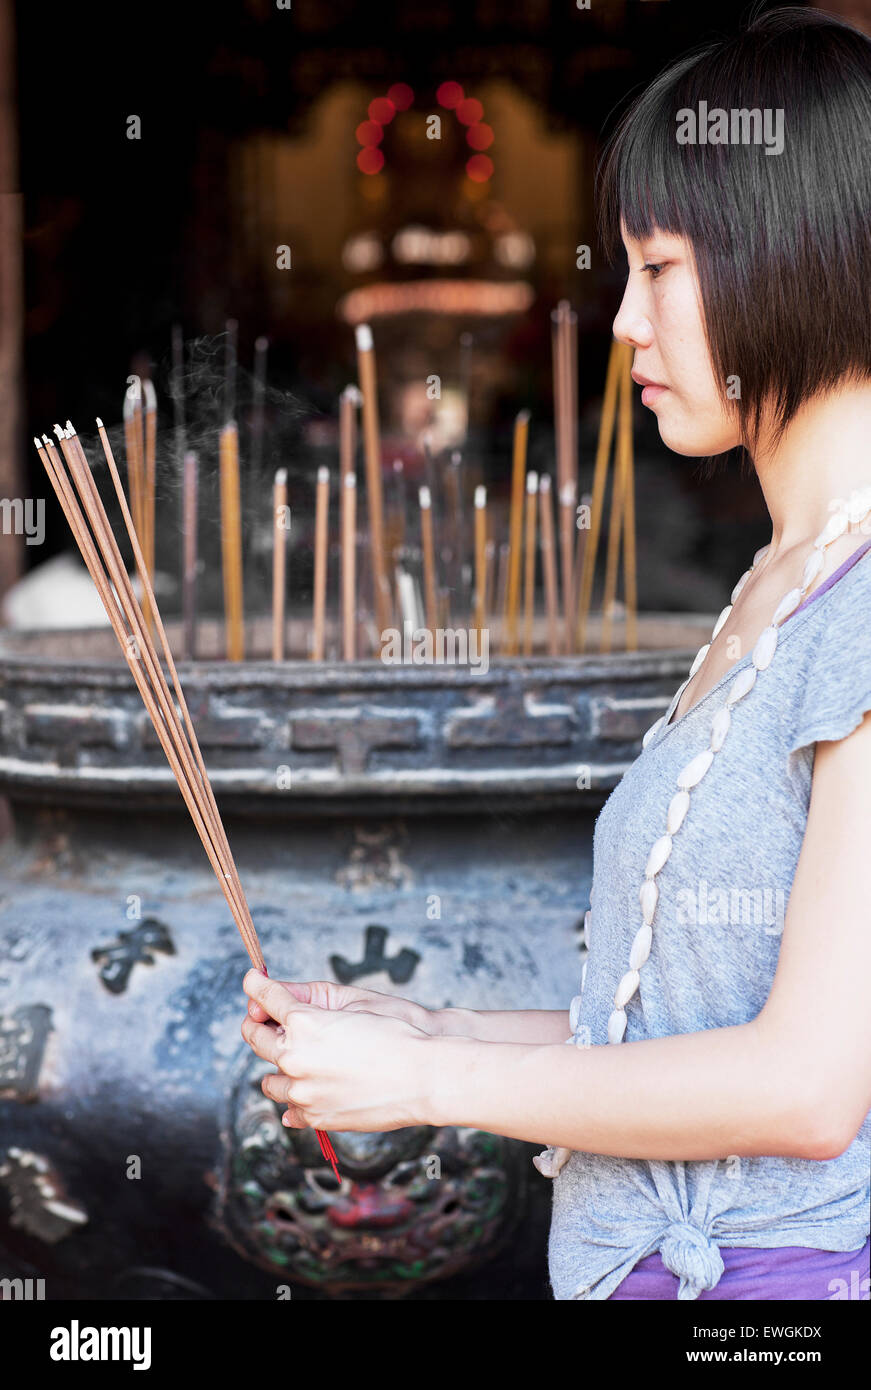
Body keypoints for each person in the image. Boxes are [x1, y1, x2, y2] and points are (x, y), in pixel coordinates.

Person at [241, 6, 871, 1300]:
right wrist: (425, 1024)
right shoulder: (777, 585)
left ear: (791, 260)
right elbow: (679, 1027)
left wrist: (429, 1082)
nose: (625, 320)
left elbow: (808, 1084)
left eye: (661, 268)